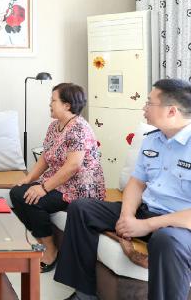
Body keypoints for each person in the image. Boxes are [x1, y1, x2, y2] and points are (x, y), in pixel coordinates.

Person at [54, 79, 191, 300]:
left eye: (149, 103)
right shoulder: (152, 140)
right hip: (146, 211)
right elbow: (136, 182)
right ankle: (84, 294)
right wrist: (127, 216)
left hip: (179, 226)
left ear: (171, 111)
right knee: (81, 208)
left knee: (165, 241)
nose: (144, 108)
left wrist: (144, 225)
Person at [9, 82, 105, 273]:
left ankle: (51, 250)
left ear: (67, 105)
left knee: (34, 200)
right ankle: (40, 240)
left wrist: (43, 188)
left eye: (53, 100)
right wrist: (29, 179)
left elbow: (73, 166)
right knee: (17, 193)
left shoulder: (79, 128)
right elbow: (46, 157)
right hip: (59, 182)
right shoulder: (54, 126)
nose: (49, 104)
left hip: (79, 187)